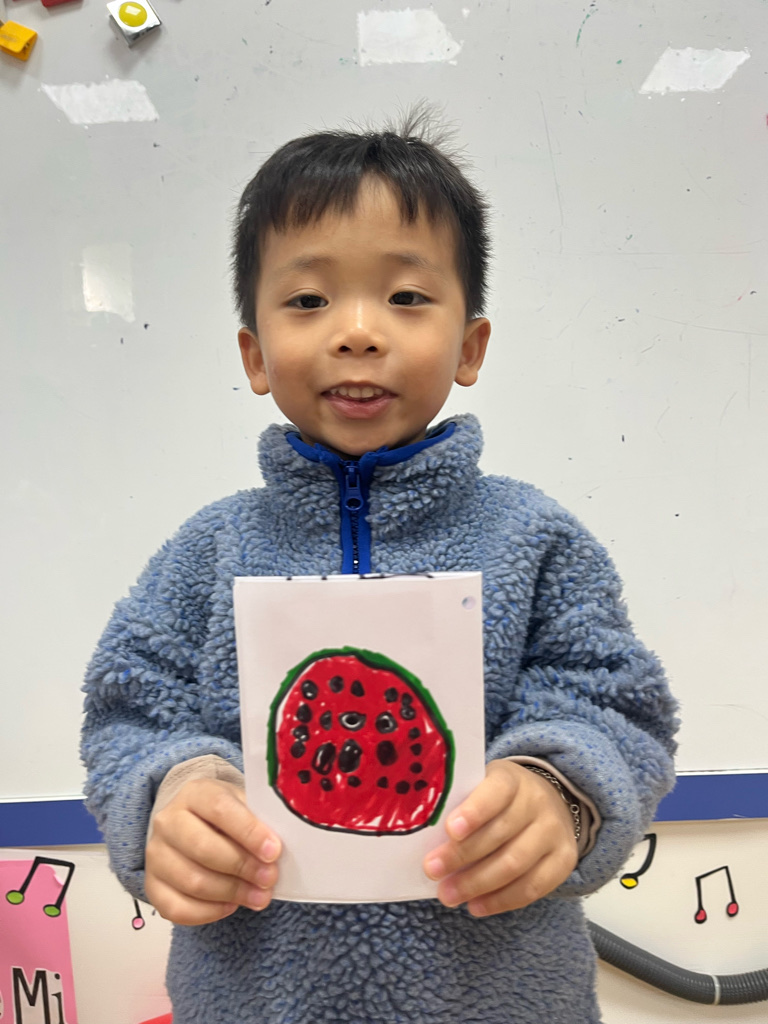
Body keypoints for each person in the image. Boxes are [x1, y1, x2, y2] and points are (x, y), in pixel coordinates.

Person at [81, 107, 678, 1024]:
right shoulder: (207, 550)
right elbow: (128, 710)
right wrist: (172, 787)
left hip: (502, 999)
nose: (357, 332)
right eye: (308, 301)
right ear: (253, 355)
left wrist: (564, 790)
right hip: (256, 999)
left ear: (470, 346)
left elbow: (620, 705)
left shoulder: (536, 537)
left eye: (405, 296)